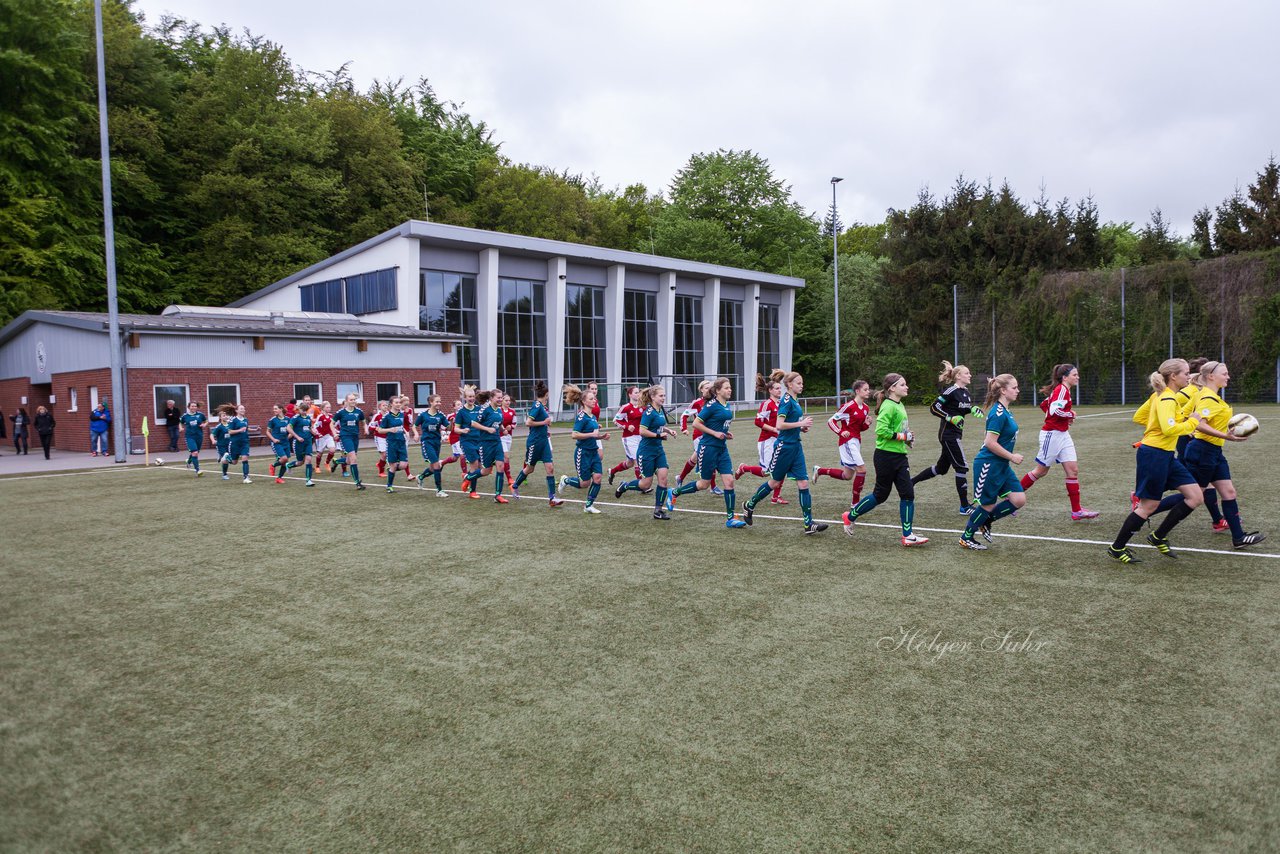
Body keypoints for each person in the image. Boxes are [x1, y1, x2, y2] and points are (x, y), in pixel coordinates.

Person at [1107, 359, 1210, 563]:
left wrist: (1161, 423)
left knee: (1195, 496)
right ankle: (1117, 548)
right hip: (1154, 455)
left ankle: (1158, 536)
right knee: (1148, 506)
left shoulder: (1162, 396)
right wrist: (1192, 422)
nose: (1189, 377)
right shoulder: (1166, 399)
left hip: (1165, 455)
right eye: (1186, 373)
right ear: (1173, 376)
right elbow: (1169, 429)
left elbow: (1140, 417)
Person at [1179, 361, 1264, 549]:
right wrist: (1226, 435)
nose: (1228, 377)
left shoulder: (1206, 395)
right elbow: (1199, 423)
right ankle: (1147, 512)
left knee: (1229, 492)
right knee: (1193, 496)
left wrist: (1188, 427)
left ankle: (1239, 538)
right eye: (1224, 374)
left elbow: (1185, 414)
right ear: (1211, 376)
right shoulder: (1208, 398)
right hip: (1203, 451)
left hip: (1214, 451)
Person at [841, 373, 929, 546]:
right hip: (885, 456)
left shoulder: (900, 404)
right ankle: (850, 516)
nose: (907, 387)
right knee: (880, 495)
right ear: (892, 388)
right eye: (903, 384)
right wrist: (904, 436)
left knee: (908, 493)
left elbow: (900, 429)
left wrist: (908, 438)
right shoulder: (888, 406)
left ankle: (908, 535)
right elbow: (881, 431)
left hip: (900, 456)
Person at [742, 372, 827, 534]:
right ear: (789, 384)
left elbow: (790, 423)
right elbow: (779, 425)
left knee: (803, 483)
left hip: (796, 447)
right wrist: (801, 422)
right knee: (773, 482)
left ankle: (808, 523)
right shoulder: (786, 401)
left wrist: (801, 427)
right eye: (799, 383)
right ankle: (749, 505)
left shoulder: (795, 400)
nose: (802, 385)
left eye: (802, 383)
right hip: (784, 447)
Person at [1018, 364, 1099, 521]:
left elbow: (1045, 405)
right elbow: (1054, 410)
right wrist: (1069, 414)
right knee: (1040, 471)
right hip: (1052, 435)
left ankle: (1077, 511)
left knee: (1073, 471)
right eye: (1075, 375)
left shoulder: (1063, 390)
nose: (1078, 377)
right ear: (1065, 377)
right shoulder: (1061, 390)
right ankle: (1012, 500)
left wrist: (1065, 417)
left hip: (1062, 434)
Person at [669, 377, 748, 528]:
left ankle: (730, 518)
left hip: (722, 448)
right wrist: (714, 433)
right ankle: (675, 492)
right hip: (708, 448)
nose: (729, 390)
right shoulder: (711, 405)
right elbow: (697, 424)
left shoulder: (726, 404)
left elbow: (719, 423)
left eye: (730, 387)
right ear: (717, 391)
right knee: (704, 484)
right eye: (726, 388)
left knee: (729, 482)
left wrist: (726, 432)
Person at [959, 374, 1025, 550]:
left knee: (1018, 499)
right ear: (1003, 390)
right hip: (988, 464)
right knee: (987, 504)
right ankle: (966, 537)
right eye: (1014, 387)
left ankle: (985, 521)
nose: (1018, 390)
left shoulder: (1006, 411)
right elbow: (989, 442)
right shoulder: (997, 413)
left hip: (1001, 464)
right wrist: (1012, 457)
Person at [911, 361, 983, 514]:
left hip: (956, 434)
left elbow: (961, 409)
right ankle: (964, 506)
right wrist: (950, 418)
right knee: (962, 466)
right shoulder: (951, 391)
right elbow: (934, 407)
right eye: (967, 373)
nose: (970, 375)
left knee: (941, 469)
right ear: (958, 376)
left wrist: (972, 409)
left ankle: (911, 482)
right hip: (948, 435)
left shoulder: (966, 392)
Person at [614, 384, 676, 519]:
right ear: (653, 397)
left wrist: (668, 430)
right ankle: (625, 486)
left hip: (658, 450)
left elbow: (658, 425)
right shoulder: (648, 412)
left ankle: (658, 510)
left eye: (664, 396)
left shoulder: (659, 410)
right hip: (646, 452)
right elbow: (642, 431)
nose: (663, 398)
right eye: (661, 396)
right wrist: (658, 435)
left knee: (663, 479)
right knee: (645, 484)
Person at [813, 379, 873, 508]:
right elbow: (831, 421)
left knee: (847, 475)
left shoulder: (866, 408)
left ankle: (820, 471)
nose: (868, 391)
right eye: (865, 389)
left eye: (868, 389)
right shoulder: (848, 406)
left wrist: (866, 424)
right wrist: (840, 431)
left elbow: (859, 428)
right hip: (847, 442)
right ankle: (855, 504)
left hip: (856, 441)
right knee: (862, 469)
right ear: (857, 391)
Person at [736, 371, 790, 505]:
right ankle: (744, 468)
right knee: (766, 472)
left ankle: (776, 497)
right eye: (777, 389)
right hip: (766, 441)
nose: (779, 391)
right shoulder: (767, 404)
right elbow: (757, 422)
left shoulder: (780, 404)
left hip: (778, 440)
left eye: (780, 388)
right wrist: (773, 429)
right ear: (770, 390)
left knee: (782, 467)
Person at [510, 381, 565, 507]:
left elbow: (543, 421)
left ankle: (552, 498)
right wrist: (544, 422)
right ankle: (514, 485)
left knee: (550, 468)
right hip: (534, 442)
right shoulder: (536, 406)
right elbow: (528, 422)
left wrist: (546, 424)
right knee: (530, 468)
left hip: (544, 441)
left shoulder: (543, 407)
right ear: (546, 394)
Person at [557, 384, 611, 513]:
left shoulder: (592, 417)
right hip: (583, 453)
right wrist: (592, 434)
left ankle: (588, 505)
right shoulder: (581, 417)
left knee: (598, 478)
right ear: (584, 401)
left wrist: (601, 437)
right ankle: (566, 480)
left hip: (593, 452)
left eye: (594, 398)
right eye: (591, 398)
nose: (594, 400)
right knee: (584, 483)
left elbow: (593, 435)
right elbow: (574, 435)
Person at [463, 389, 507, 502]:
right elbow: (473, 423)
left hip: (497, 442)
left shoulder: (499, 410)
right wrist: (487, 429)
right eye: (498, 397)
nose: (500, 400)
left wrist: (503, 429)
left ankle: (498, 495)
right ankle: (468, 477)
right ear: (491, 398)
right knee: (486, 471)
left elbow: (499, 423)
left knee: (501, 466)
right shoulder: (485, 410)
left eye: (501, 397)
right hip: (485, 443)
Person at [676, 380, 714, 489]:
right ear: (701, 390)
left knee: (696, 459)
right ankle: (713, 486)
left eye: (710, 387)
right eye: (706, 388)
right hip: (699, 436)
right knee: (707, 458)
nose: (709, 390)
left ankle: (680, 477)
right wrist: (684, 429)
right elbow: (684, 415)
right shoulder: (697, 403)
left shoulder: (714, 402)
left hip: (711, 435)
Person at [414, 394, 452, 497]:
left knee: (433, 468)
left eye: (440, 401)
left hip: (437, 442)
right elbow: (414, 426)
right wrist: (416, 434)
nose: (439, 403)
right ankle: (439, 491)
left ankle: (421, 477)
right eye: (437, 401)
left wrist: (452, 423)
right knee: (436, 465)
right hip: (427, 442)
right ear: (431, 402)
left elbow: (448, 428)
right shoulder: (423, 415)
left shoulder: (441, 415)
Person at [607, 386, 644, 486]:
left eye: (639, 392)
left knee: (630, 463)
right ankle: (642, 485)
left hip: (641, 437)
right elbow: (616, 420)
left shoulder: (643, 407)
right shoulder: (626, 407)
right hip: (629, 438)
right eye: (636, 392)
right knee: (637, 460)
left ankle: (613, 471)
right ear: (630, 395)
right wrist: (627, 426)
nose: (638, 394)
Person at [333, 393, 367, 490]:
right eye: (351, 400)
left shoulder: (359, 412)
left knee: (349, 460)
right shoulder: (341, 412)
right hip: (345, 437)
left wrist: (366, 428)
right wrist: (335, 433)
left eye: (354, 399)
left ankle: (337, 461)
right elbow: (331, 423)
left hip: (355, 437)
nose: (353, 401)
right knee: (353, 458)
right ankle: (357, 482)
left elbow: (364, 422)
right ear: (346, 401)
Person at [376, 397, 410, 493]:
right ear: (391, 404)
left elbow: (402, 426)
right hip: (392, 443)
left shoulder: (402, 415)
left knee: (403, 465)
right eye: (396, 402)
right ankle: (389, 486)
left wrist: (405, 431)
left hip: (401, 442)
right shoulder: (387, 416)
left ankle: (391, 469)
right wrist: (389, 430)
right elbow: (380, 430)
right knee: (394, 465)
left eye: (399, 402)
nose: (398, 404)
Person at [287, 399, 317, 487]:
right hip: (298, 443)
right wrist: (297, 437)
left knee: (309, 459)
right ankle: (289, 465)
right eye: (302, 410)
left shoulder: (308, 418)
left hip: (307, 442)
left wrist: (314, 432)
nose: (303, 412)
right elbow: (288, 428)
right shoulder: (295, 418)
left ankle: (308, 480)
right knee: (300, 462)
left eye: (305, 410)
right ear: (299, 409)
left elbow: (309, 427)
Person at [226, 403, 253, 483]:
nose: (243, 410)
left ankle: (246, 477)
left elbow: (246, 428)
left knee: (245, 458)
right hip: (235, 443)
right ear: (236, 410)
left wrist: (254, 429)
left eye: (244, 409)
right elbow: (230, 432)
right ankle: (227, 457)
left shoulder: (245, 419)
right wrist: (239, 430)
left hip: (245, 442)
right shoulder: (233, 420)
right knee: (234, 462)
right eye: (241, 409)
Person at [180, 400, 207, 476]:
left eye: (195, 406)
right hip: (190, 437)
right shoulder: (185, 416)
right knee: (194, 453)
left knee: (196, 452)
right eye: (192, 406)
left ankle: (189, 461)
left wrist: (204, 424)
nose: (194, 407)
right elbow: (180, 422)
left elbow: (206, 421)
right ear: (189, 407)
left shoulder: (200, 415)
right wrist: (181, 428)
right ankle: (198, 470)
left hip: (199, 436)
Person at [266, 405, 292, 484]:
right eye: (273, 409)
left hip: (285, 443)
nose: (274, 410)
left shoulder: (288, 419)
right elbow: (267, 431)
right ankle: (273, 465)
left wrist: (288, 437)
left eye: (276, 409)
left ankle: (279, 478)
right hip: (277, 443)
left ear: (281, 409)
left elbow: (291, 431)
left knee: (285, 461)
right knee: (284, 459)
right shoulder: (273, 420)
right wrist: (273, 439)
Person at [313, 402, 338, 473]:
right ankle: (317, 466)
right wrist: (318, 434)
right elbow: (315, 426)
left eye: (329, 407)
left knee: (332, 450)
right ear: (323, 408)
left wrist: (336, 432)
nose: (329, 409)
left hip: (329, 436)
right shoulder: (320, 416)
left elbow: (333, 426)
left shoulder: (331, 416)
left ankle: (327, 463)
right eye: (327, 407)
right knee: (320, 453)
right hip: (321, 437)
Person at [210, 408, 232, 479]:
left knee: (228, 459)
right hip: (221, 445)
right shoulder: (219, 427)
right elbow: (212, 434)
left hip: (229, 445)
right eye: (223, 415)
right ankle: (224, 474)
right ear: (220, 417)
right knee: (226, 457)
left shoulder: (230, 425)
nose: (225, 416)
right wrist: (213, 440)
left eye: (226, 415)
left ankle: (221, 457)